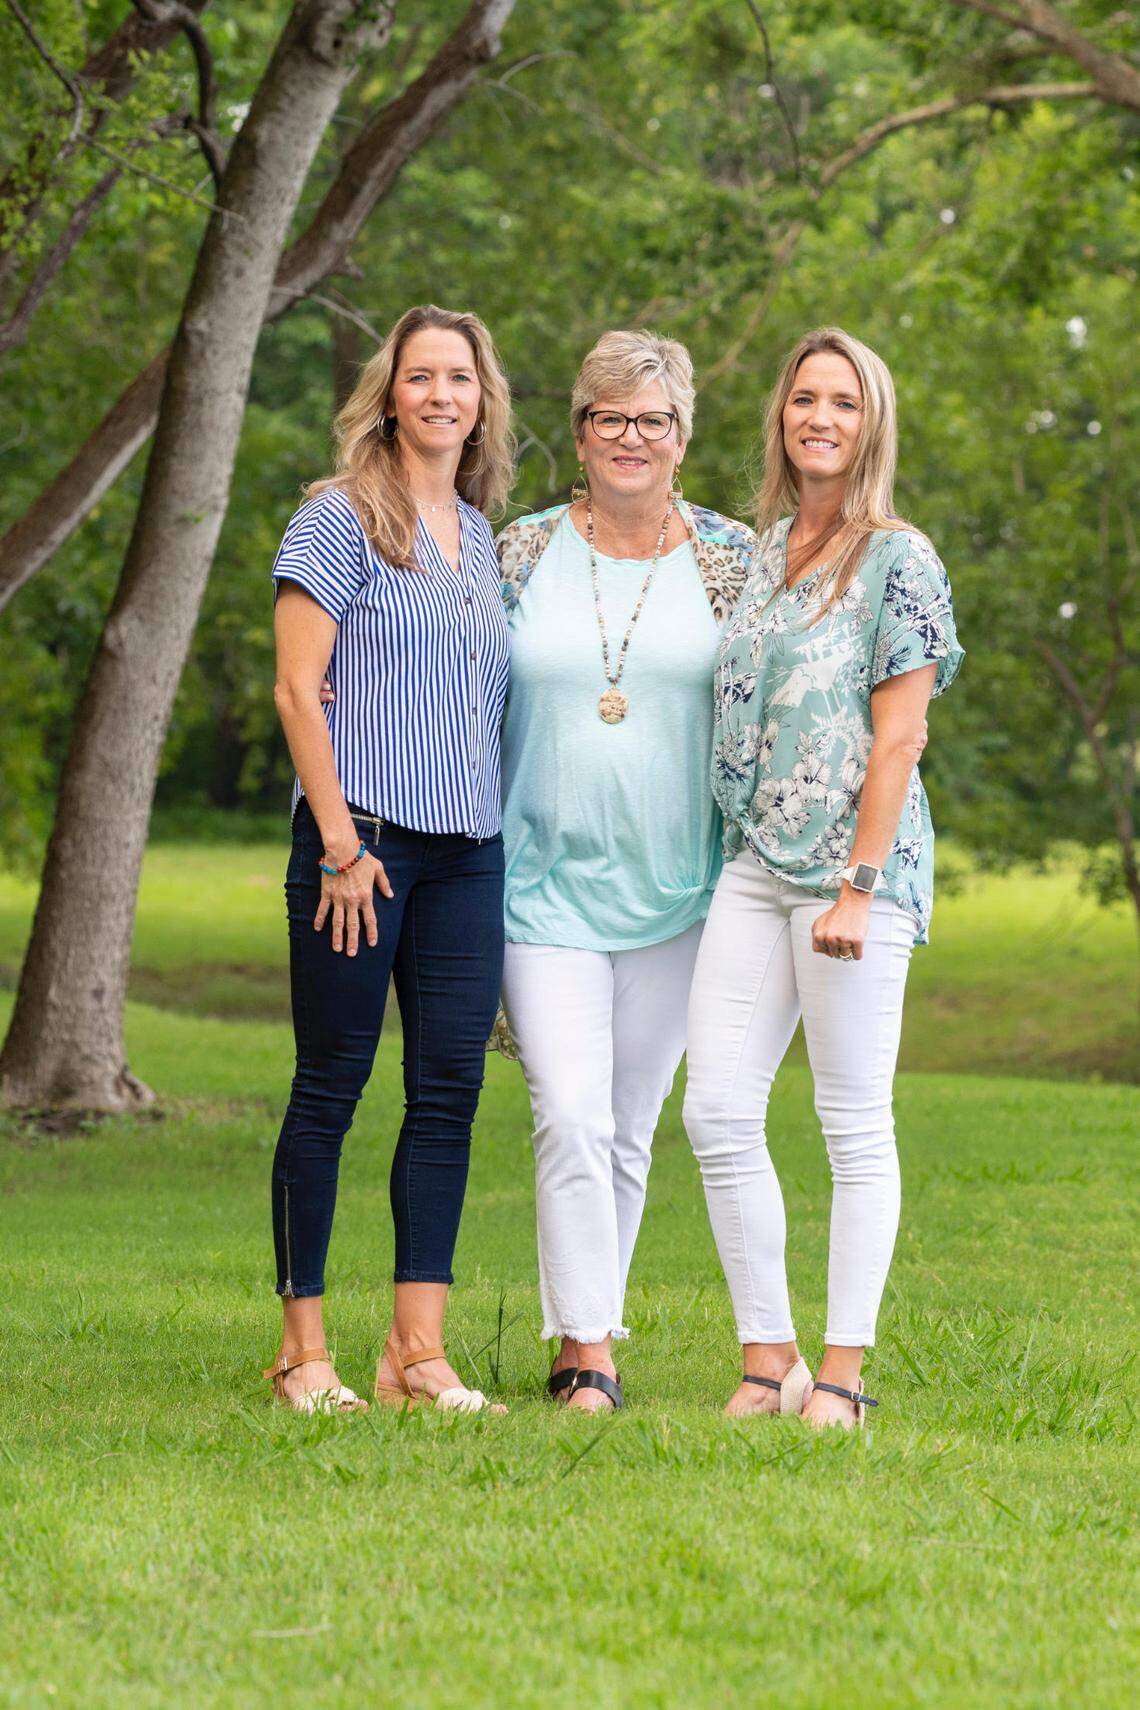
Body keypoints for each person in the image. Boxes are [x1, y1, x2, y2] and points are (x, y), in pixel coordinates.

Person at [683, 326, 964, 1428]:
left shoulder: (902, 558)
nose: (821, 419)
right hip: (756, 869)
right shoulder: (759, 554)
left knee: (853, 1125)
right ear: (782, 417)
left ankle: (841, 1376)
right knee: (715, 1109)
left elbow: (900, 740)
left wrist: (858, 886)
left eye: (844, 402)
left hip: (860, 875)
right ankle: (770, 1358)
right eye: (806, 399)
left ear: (872, 423)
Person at [496, 330, 756, 1412]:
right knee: (568, 1110)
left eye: (653, 420)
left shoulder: (734, 559)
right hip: (537, 886)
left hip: (682, 893)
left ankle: (587, 1325)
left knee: (631, 1122)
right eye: (610, 418)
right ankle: (586, 1352)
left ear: (683, 437)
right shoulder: (517, 552)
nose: (631, 438)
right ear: (580, 433)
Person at [263, 304, 513, 1414]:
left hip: (467, 855)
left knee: (449, 1093)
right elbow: (293, 689)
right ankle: (302, 1356)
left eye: (460, 377)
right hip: (359, 849)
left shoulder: (481, 533)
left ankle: (416, 1356)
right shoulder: (335, 520)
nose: (442, 395)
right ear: (390, 392)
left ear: (481, 400)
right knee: (329, 1089)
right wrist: (339, 844)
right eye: (422, 376)